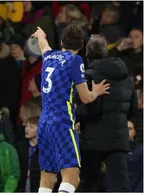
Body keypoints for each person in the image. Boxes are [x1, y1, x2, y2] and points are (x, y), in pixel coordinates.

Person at [31, 26, 110, 193]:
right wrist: (95, 92)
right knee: (72, 177)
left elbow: (43, 45)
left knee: (47, 178)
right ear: (81, 46)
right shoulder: (75, 61)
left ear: (61, 42)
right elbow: (85, 98)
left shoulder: (49, 56)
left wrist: (40, 35)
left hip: (44, 123)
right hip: (62, 122)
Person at [77, 35, 138, 192]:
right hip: (118, 138)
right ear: (106, 52)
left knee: (88, 184)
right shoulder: (126, 77)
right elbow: (132, 109)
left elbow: (90, 110)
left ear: (88, 55)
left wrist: (77, 114)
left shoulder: (89, 76)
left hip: (93, 140)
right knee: (121, 185)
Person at [16, 101, 41, 192]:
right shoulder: (19, 147)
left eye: (31, 127)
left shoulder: (46, 149)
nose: (27, 129)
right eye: (26, 126)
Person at [126, 120, 143, 192]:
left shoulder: (141, 150)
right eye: (125, 129)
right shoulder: (114, 150)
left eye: (130, 129)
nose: (127, 131)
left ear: (134, 132)